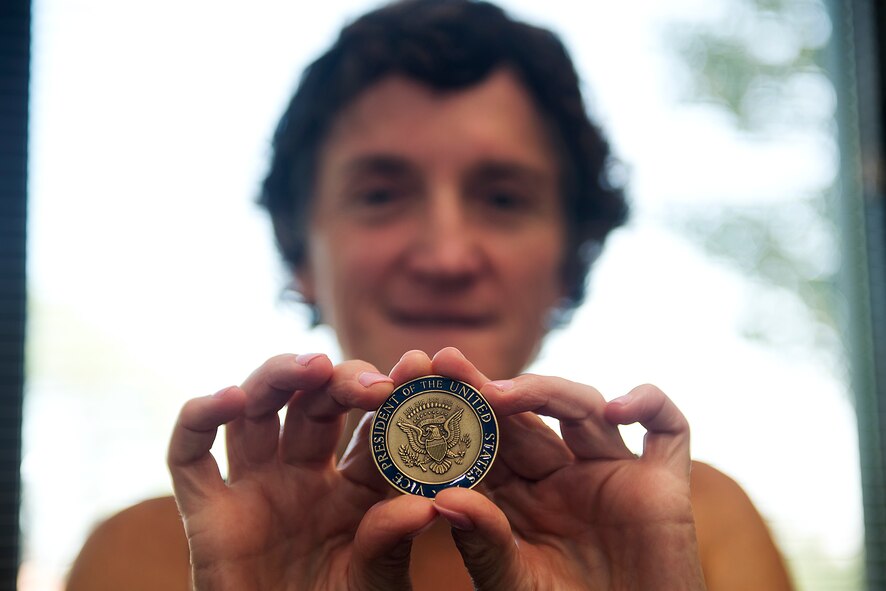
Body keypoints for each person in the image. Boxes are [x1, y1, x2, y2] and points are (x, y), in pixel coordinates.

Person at [66, 1, 794, 589]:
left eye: (503, 198)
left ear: (568, 258)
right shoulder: (143, 558)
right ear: (301, 251)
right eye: (381, 194)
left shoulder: (693, 530)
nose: (446, 256)